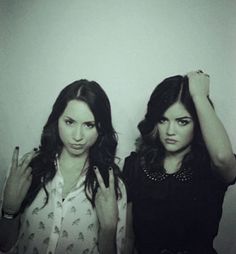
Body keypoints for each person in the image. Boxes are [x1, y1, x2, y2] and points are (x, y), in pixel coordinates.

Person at [0, 79, 127, 254]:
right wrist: (9, 211)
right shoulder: (26, 169)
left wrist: (109, 228)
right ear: (57, 120)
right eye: (69, 122)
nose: (77, 136)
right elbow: (4, 247)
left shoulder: (111, 185)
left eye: (89, 125)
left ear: (101, 128)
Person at [123, 70, 236, 254]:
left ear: (198, 123)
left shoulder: (210, 168)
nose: (170, 131)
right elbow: (128, 239)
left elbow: (223, 157)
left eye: (182, 122)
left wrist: (199, 96)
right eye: (163, 120)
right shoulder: (136, 166)